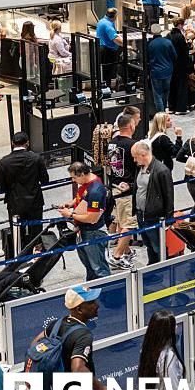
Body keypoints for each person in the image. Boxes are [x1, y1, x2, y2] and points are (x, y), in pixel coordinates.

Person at [33, 285, 106, 390]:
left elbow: (35, 345)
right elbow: (78, 367)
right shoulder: (83, 334)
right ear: (79, 309)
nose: (97, 305)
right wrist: (101, 388)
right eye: (91, 302)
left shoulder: (55, 324)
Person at [54, 162, 110, 280]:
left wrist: (70, 215)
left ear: (83, 174)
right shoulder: (87, 182)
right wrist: (70, 204)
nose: (73, 180)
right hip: (83, 229)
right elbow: (82, 197)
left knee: (98, 267)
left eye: (75, 177)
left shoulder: (95, 191)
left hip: (93, 232)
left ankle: (107, 288)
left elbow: (92, 218)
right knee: (88, 264)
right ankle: (92, 285)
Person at [0, 130, 48, 250]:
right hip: (35, 201)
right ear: (27, 143)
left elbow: (1, 187)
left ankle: (19, 254)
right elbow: (45, 180)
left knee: (17, 232)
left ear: (12, 143)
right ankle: (37, 255)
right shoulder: (36, 158)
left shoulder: (4, 162)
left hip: (15, 203)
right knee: (36, 231)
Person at [132, 141, 174, 265]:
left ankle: (163, 267)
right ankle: (152, 265)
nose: (134, 160)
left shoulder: (162, 171)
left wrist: (169, 218)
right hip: (141, 214)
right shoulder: (140, 168)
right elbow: (140, 187)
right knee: (148, 244)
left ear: (143, 155)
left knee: (157, 246)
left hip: (154, 216)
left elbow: (168, 195)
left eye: (135, 157)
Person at [107, 112, 140, 268]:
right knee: (130, 224)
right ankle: (117, 255)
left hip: (115, 186)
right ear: (130, 126)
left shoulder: (111, 143)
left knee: (121, 221)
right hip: (127, 189)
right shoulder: (133, 145)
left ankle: (126, 251)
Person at [166, 17, 193, 115]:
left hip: (171, 65)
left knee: (172, 86)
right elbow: (184, 51)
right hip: (181, 65)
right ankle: (180, 108)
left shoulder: (168, 35)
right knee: (181, 86)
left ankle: (171, 107)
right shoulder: (180, 36)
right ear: (180, 25)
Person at [147, 30, 177, 112]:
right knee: (166, 92)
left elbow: (147, 58)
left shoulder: (150, 44)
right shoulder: (168, 42)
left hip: (155, 72)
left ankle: (161, 113)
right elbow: (174, 56)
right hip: (167, 71)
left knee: (157, 94)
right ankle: (163, 110)